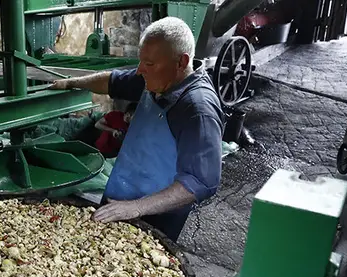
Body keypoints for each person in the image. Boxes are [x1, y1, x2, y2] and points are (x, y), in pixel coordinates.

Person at [48, 17, 223, 241]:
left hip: (155, 214)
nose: (140, 70)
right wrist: (71, 83)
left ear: (181, 62)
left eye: (148, 64)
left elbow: (201, 181)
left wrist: (136, 208)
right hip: (119, 196)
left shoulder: (197, 109)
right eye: (141, 62)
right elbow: (112, 81)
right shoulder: (157, 79)